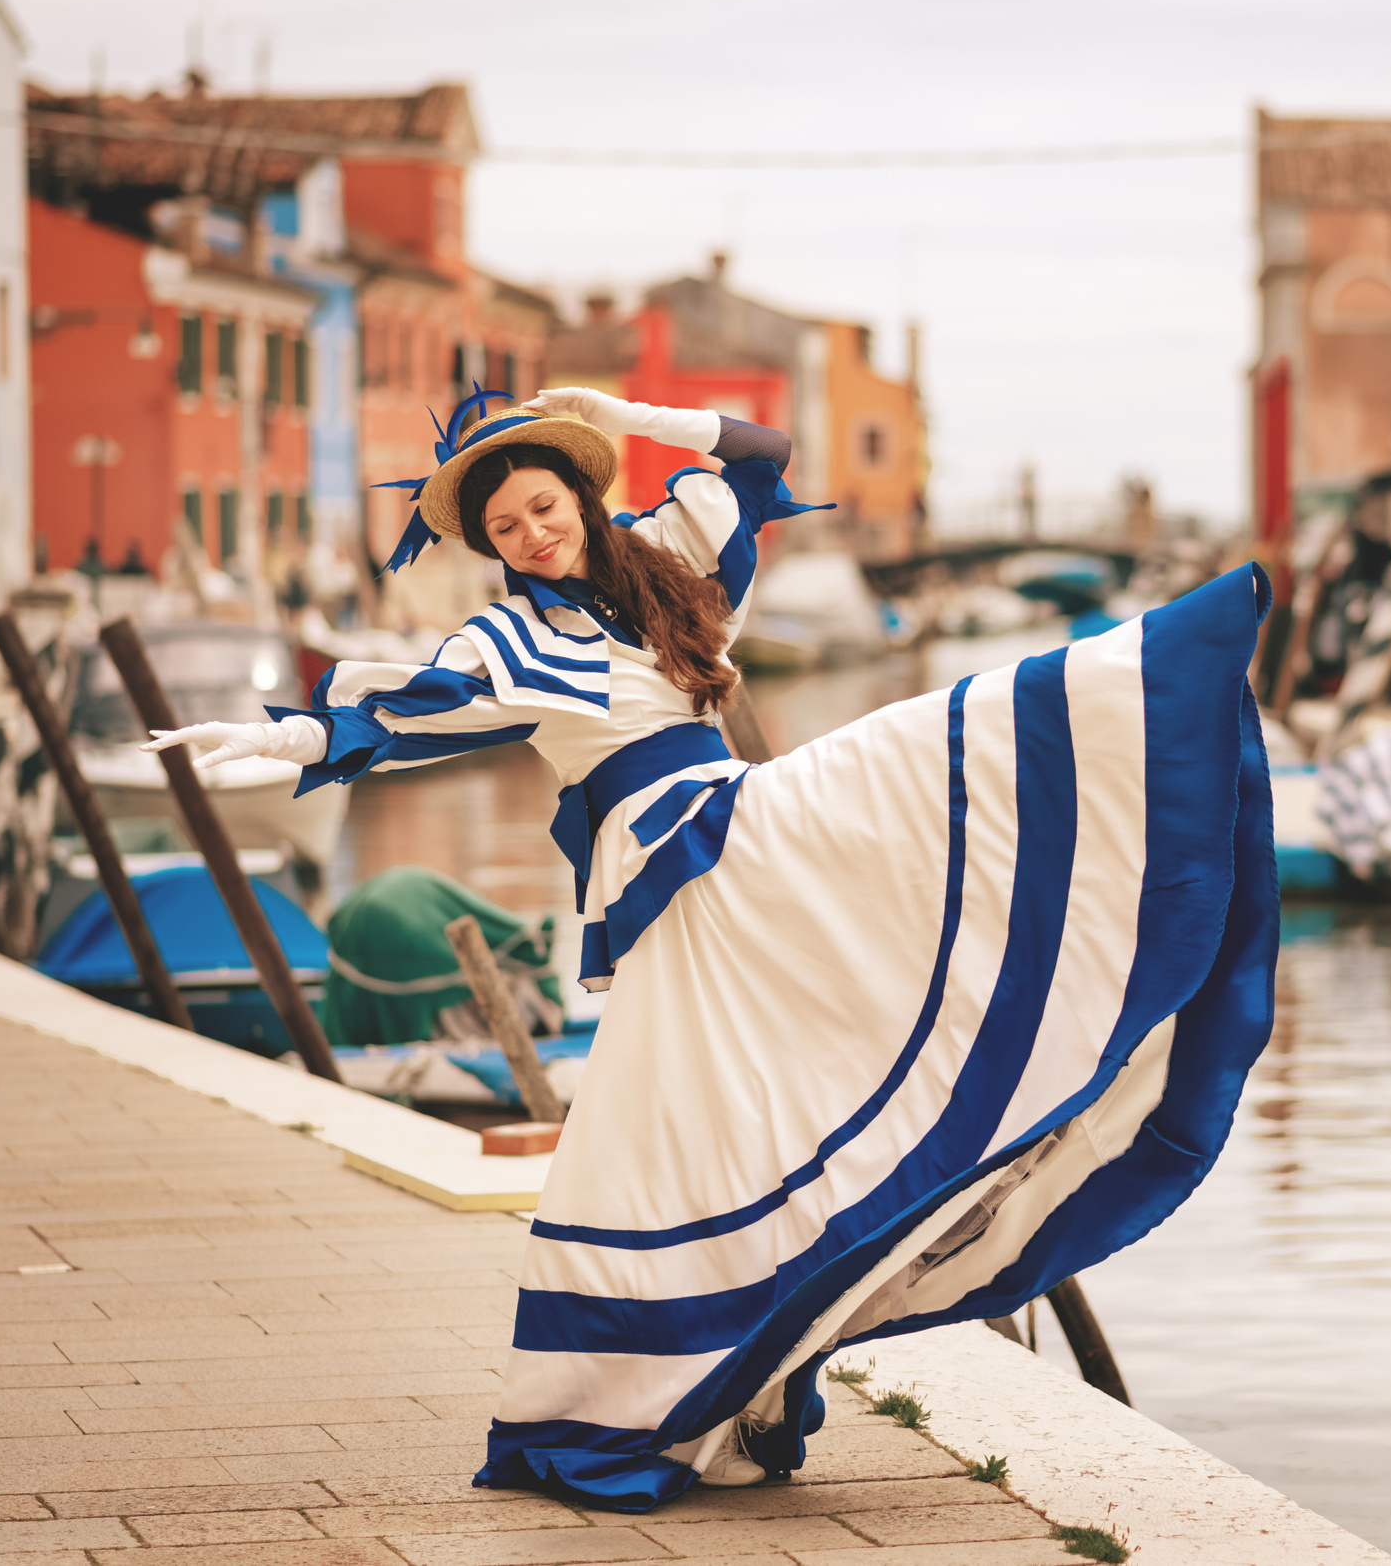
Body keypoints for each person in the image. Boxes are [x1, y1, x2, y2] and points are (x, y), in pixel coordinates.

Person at [140, 390, 1277, 1512]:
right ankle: (661, 1398)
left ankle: (720, 1389)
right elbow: (400, 715)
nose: (532, 534)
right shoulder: (510, 638)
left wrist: (620, 408)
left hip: (732, 844)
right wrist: (273, 734)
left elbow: (757, 456)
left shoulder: (663, 571)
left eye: (544, 506)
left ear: (580, 497)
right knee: (684, 1126)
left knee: (748, 1097)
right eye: (505, 528)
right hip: (678, 879)